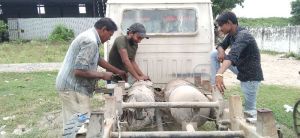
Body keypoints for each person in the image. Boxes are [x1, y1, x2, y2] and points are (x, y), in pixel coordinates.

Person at [55, 18, 126, 128]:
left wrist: (117, 71)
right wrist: (103, 75)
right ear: (103, 30)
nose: (109, 39)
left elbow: (97, 59)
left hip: (72, 86)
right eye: (110, 35)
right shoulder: (90, 41)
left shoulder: (91, 37)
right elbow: (78, 71)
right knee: (80, 124)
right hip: (73, 87)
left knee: (77, 121)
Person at [211, 11, 264, 118]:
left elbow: (232, 56)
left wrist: (219, 74)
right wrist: (221, 51)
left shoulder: (244, 35)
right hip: (240, 68)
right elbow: (220, 45)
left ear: (229, 23)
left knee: (250, 111)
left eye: (221, 25)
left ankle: (254, 131)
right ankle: (215, 87)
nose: (220, 29)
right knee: (214, 54)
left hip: (251, 76)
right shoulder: (231, 35)